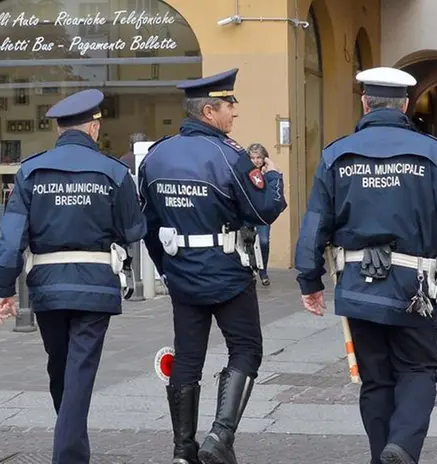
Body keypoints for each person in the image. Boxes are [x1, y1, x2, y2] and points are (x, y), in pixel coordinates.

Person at [294, 67, 437, 464]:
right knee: (418, 369)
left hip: (357, 284)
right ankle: (403, 447)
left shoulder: (337, 155)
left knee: (375, 379)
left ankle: (384, 454)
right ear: (406, 105)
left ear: (365, 103)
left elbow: (315, 222)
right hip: (413, 285)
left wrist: (308, 279)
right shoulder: (432, 153)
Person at [139, 68, 287, 464]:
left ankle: (182, 450)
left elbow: (148, 225)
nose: (234, 113)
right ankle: (220, 437)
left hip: (182, 273)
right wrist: (274, 181)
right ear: (208, 111)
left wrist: (167, 268)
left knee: (188, 360)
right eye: (229, 106)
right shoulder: (229, 155)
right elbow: (263, 211)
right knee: (245, 349)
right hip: (226, 273)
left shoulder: (156, 156)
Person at [0, 89, 147, 463]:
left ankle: (70, 442)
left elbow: (11, 238)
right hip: (95, 285)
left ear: (59, 130)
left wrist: (3, 289)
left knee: (59, 364)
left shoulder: (31, 170)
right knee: (78, 367)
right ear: (93, 128)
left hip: (47, 287)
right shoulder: (114, 171)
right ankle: (70, 451)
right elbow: (133, 229)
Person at [247, 142, 273, 286]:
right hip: (249, 213)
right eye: (253, 158)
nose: (256, 161)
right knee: (248, 242)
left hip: (262, 214)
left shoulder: (268, 171)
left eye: (259, 157)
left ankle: (263, 270)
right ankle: (251, 270)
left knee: (264, 241)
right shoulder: (245, 173)